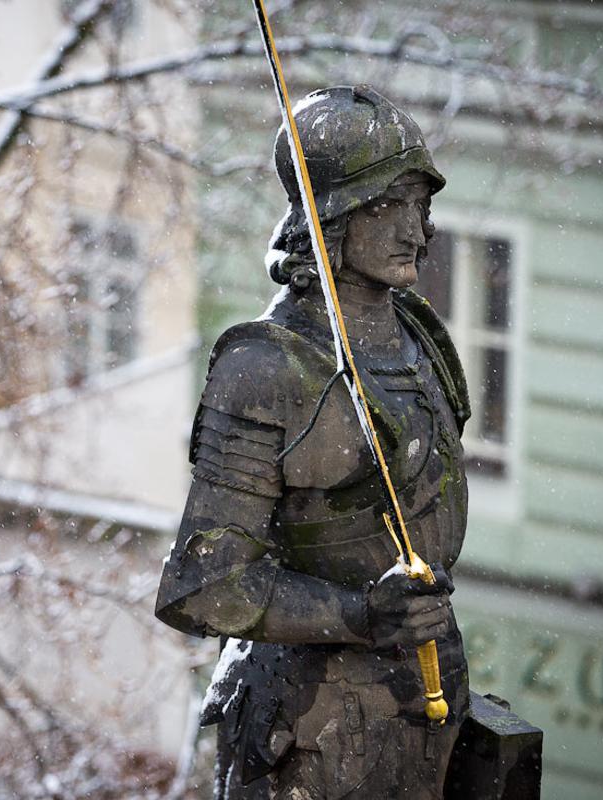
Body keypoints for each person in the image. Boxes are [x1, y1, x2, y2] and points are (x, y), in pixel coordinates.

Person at [155, 86, 471, 799]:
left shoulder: (422, 335)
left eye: (423, 206)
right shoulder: (267, 369)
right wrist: (357, 614)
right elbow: (202, 585)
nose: (417, 233)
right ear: (334, 213)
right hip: (311, 727)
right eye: (392, 205)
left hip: (430, 702)